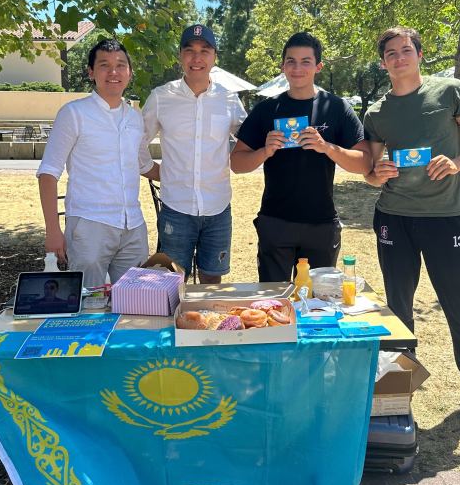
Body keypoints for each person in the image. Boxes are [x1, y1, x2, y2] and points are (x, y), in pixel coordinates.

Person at [363, 26, 460, 432]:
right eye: (391, 52)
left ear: (419, 55)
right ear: (384, 61)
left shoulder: (449, 91)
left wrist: (459, 162)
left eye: (406, 49)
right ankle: (398, 393)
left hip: (446, 220)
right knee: (399, 310)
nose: (399, 57)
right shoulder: (376, 113)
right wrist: (379, 172)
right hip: (395, 219)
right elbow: (371, 173)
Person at [230, 32, 372, 282]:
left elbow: (364, 162)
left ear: (318, 66)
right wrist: (265, 151)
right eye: (291, 61)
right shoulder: (266, 110)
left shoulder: (336, 107)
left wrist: (327, 147)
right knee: (274, 302)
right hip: (275, 222)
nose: (297, 68)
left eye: (305, 61)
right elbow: (237, 164)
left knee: (319, 306)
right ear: (283, 65)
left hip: (321, 224)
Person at [37, 39, 159, 288]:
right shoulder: (73, 114)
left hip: (133, 226)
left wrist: (188, 175)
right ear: (91, 72)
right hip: (89, 225)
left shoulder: (135, 117)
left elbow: (144, 166)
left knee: (134, 302)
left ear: (129, 72)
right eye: (104, 65)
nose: (113, 72)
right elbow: (48, 173)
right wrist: (53, 230)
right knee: (86, 301)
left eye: (120, 65)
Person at [142, 24, 247, 283]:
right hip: (176, 208)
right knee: (171, 285)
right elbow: (134, 143)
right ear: (180, 55)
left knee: (212, 286)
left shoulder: (229, 99)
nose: (196, 58)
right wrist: (155, 171)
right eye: (189, 50)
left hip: (218, 208)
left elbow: (249, 138)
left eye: (204, 51)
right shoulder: (161, 97)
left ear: (214, 57)